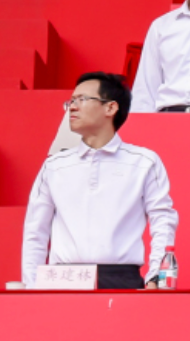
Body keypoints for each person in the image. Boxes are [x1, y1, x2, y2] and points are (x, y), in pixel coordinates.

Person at [22, 72, 178, 289]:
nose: (72, 107)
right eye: (71, 101)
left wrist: (156, 279)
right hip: (62, 280)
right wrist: (31, 287)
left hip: (121, 278)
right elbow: (35, 231)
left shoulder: (144, 162)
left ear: (110, 108)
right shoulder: (55, 166)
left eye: (82, 99)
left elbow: (163, 221)